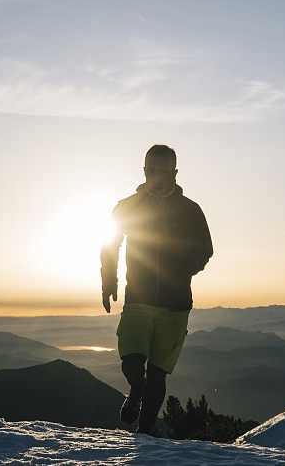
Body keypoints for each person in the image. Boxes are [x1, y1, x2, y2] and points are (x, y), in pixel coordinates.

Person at [100, 144, 213, 435]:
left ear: (174, 173)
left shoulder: (190, 210)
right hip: (138, 296)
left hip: (176, 305)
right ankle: (136, 392)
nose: (156, 176)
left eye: (162, 170)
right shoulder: (127, 206)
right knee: (133, 365)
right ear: (144, 170)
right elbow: (111, 244)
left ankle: (145, 432)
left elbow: (205, 250)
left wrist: (183, 268)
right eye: (151, 170)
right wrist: (108, 280)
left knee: (158, 374)